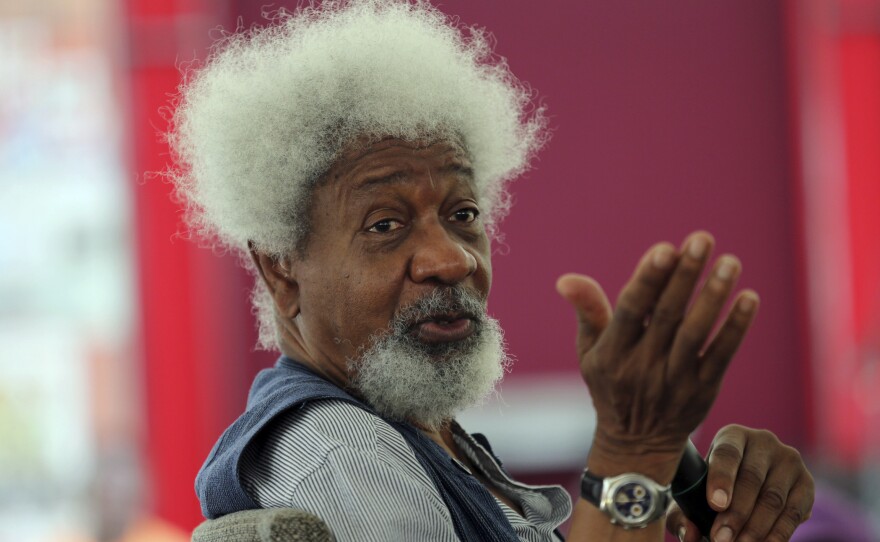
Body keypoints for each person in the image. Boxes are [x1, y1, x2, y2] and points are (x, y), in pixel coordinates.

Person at [170, 1, 815, 540]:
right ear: (281, 269)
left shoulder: (425, 438)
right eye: (384, 225)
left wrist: (683, 494)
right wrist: (634, 453)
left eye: (462, 212)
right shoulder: (343, 456)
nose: (452, 259)